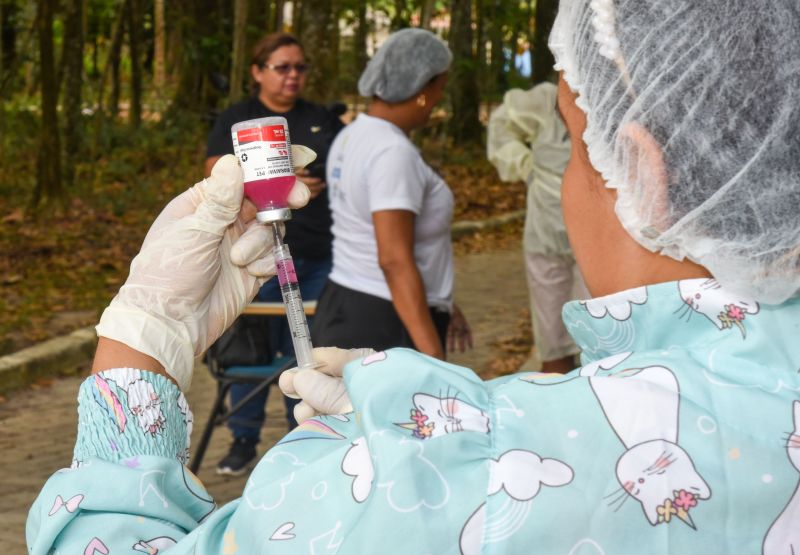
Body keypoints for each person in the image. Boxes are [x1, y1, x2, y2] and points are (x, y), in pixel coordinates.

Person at [27, 2, 800, 554]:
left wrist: (142, 333)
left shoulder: (462, 481)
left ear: (644, 169)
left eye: (572, 139)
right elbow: (394, 251)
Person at [205, 32, 344, 476]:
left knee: (306, 351)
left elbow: (347, 169)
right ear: (258, 71)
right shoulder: (237, 118)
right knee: (251, 353)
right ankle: (243, 439)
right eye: (282, 67)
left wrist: (316, 181)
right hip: (256, 257)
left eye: (300, 67)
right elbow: (215, 173)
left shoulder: (321, 118)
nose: (292, 76)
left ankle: (300, 440)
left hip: (315, 253)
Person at [311, 28, 472, 362]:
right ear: (423, 89)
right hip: (386, 322)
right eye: (440, 88)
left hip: (344, 303)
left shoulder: (352, 135)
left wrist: (444, 303)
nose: (439, 99)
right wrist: (433, 356)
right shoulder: (393, 152)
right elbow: (393, 259)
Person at [487, 82, 588, 373]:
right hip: (545, 233)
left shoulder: (613, 98)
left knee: (601, 332)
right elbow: (501, 123)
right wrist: (524, 164)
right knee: (551, 336)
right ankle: (555, 409)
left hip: (600, 238)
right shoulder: (546, 100)